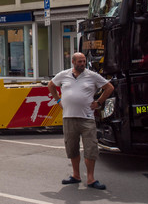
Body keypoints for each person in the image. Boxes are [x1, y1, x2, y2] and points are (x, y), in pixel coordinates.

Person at [48, 52, 114, 190]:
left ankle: (90, 178)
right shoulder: (64, 74)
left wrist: (99, 102)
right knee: (72, 147)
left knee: (91, 148)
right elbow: (51, 85)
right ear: (73, 62)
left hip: (87, 118)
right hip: (69, 117)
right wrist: (58, 100)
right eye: (79, 62)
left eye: (84, 61)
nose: (82, 64)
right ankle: (76, 175)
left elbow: (109, 87)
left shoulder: (92, 75)